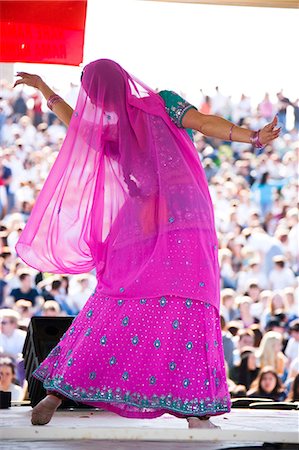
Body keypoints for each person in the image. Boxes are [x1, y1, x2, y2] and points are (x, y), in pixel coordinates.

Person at [13, 59, 280, 428]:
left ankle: (55, 395)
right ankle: (196, 414)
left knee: (113, 301)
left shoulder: (113, 130)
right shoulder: (164, 102)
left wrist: (45, 89)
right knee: (191, 303)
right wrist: (251, 136)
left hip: (136, 228)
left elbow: (73, 122)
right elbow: (204, 124)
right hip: (184, 223)